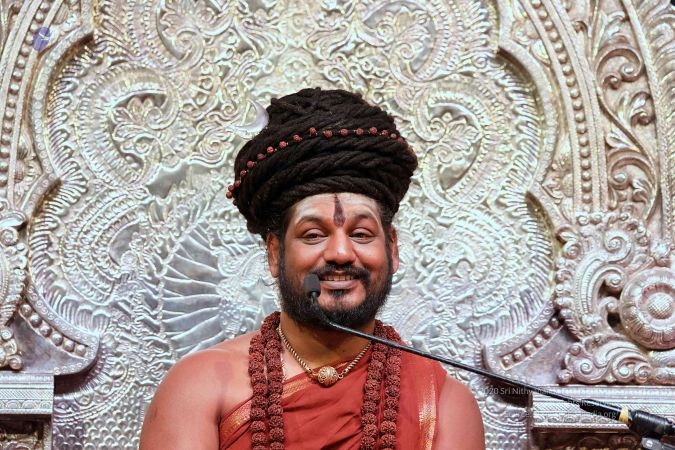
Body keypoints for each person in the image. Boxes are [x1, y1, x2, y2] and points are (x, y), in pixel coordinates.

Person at [139, 88, 485, 449]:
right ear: (275, 253)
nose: (340, 253)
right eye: (313, 234)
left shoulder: (442, 404)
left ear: (392, 249)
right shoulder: (201, 387)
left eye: (361, 234)